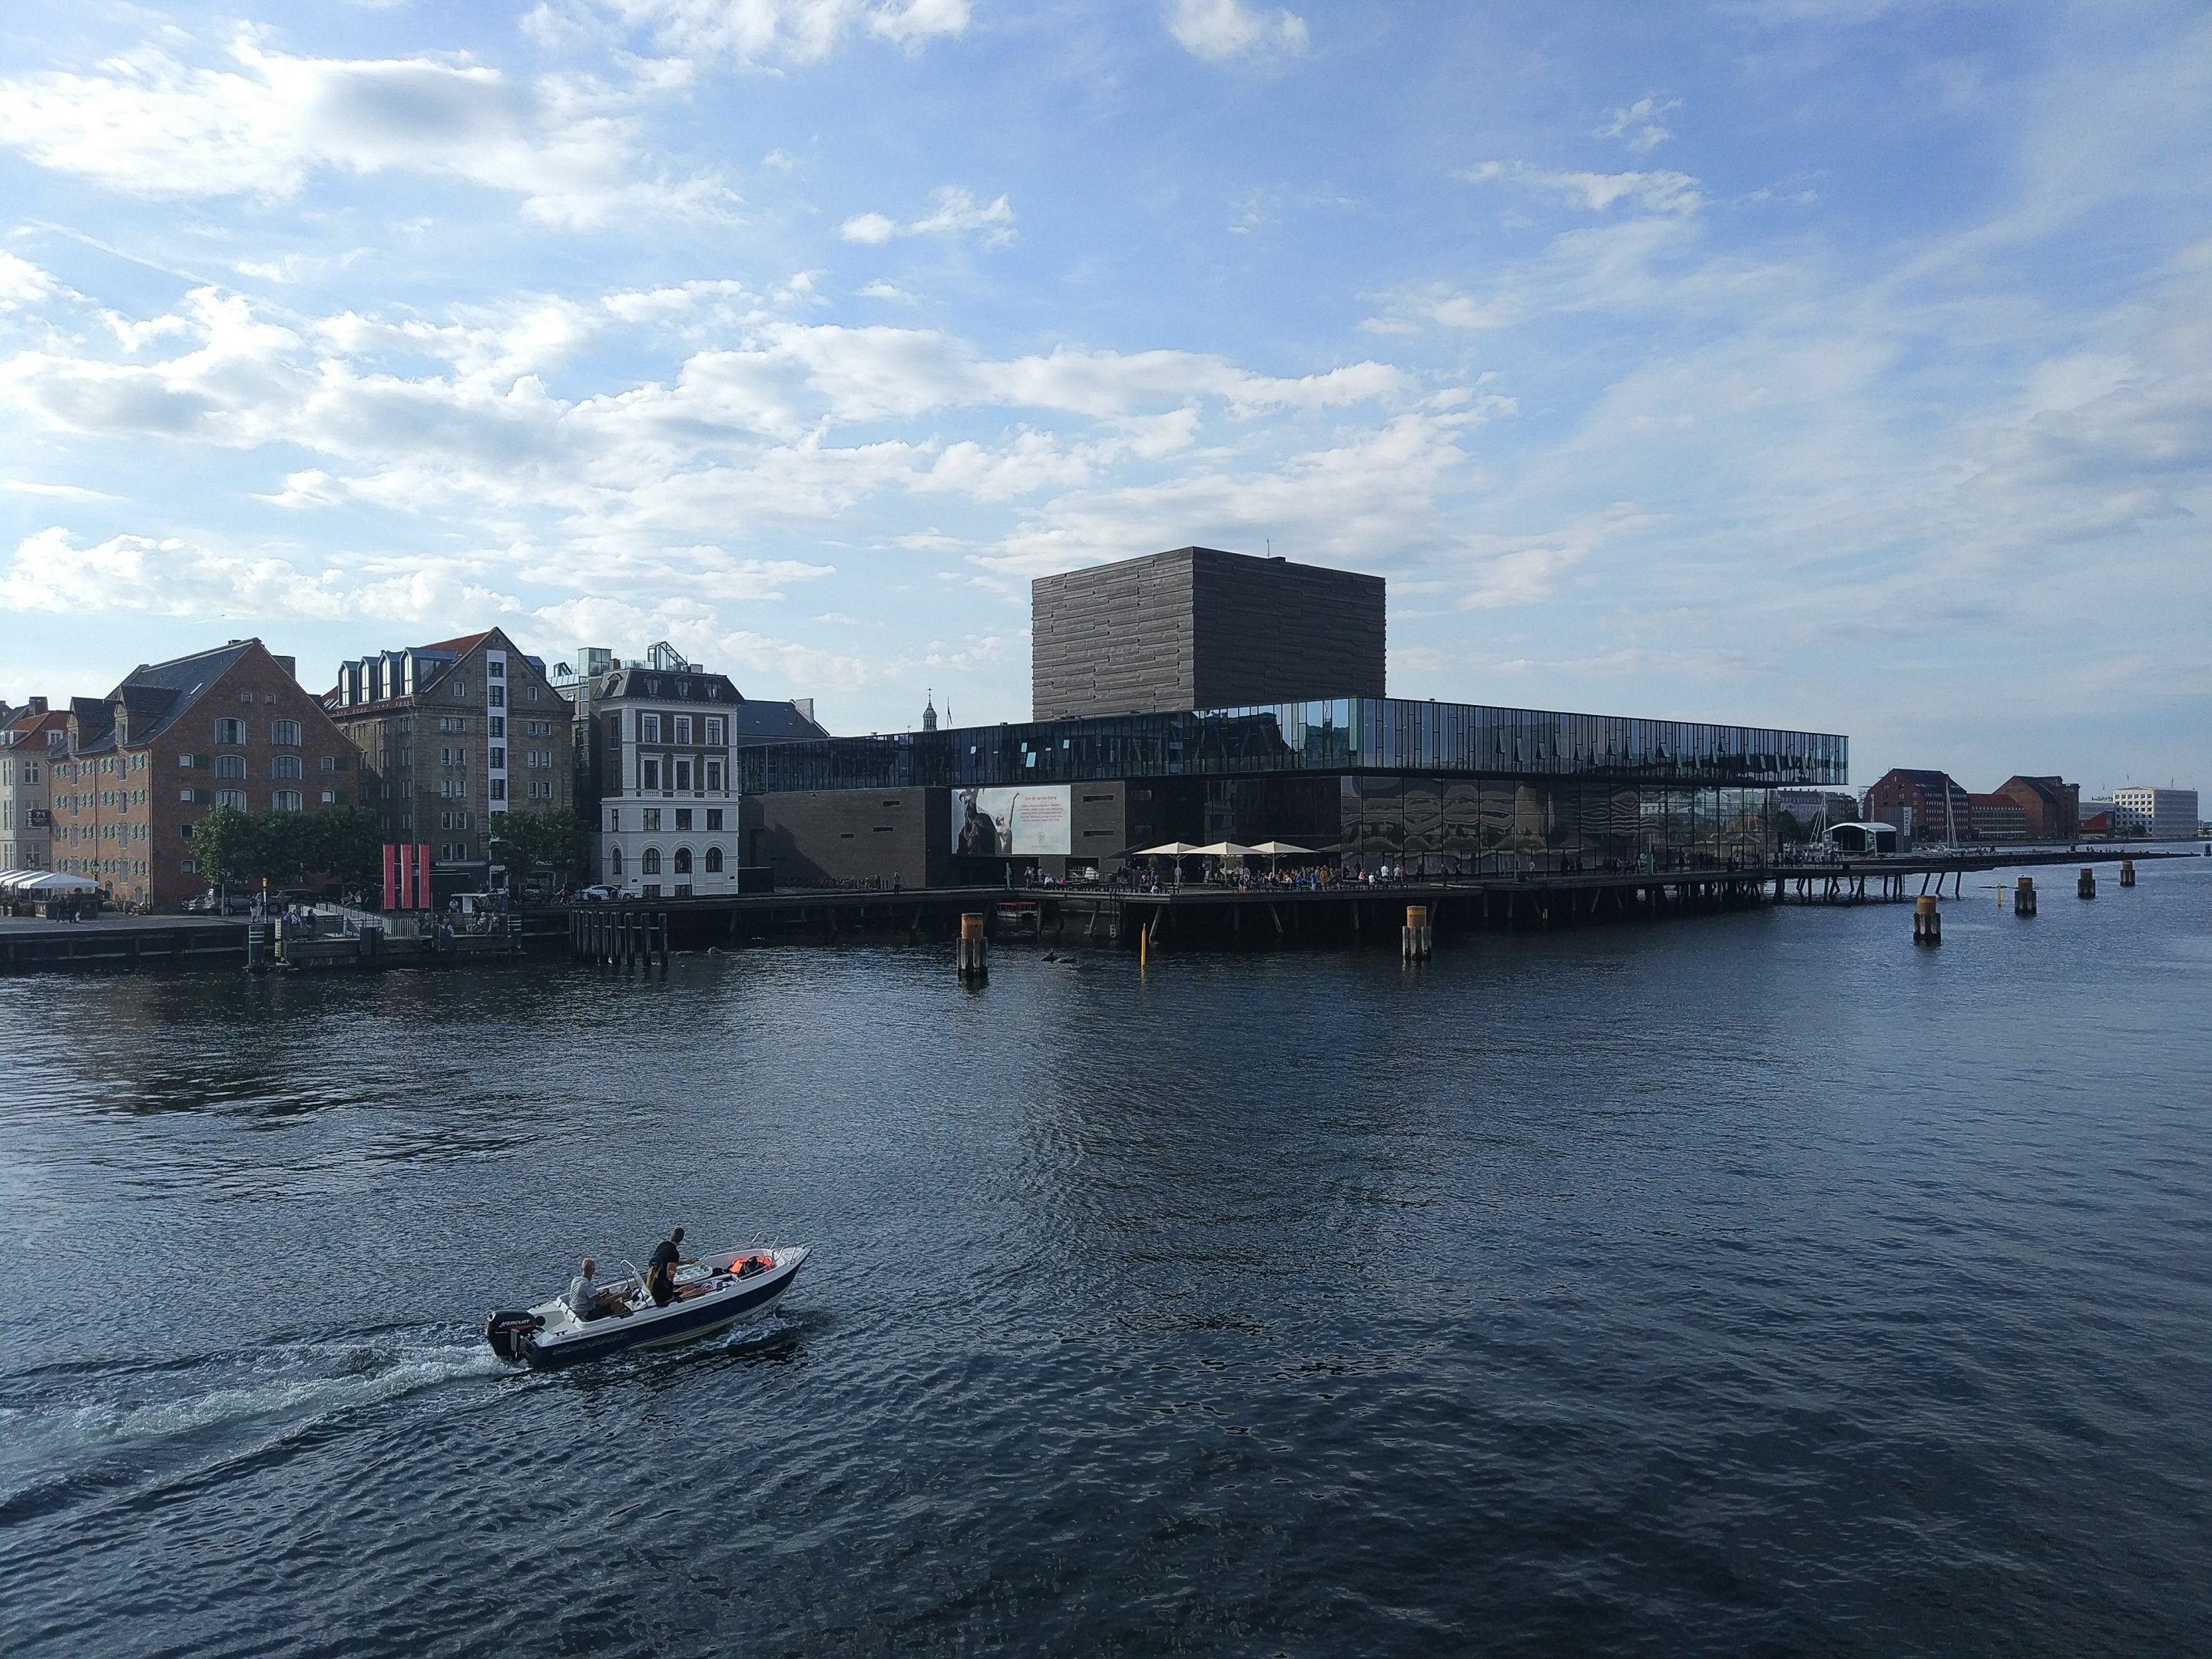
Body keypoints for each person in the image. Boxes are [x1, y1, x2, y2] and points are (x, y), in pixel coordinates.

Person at [566, 1257, 628, 1321]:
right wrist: (621, 1294)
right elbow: (602, 1302)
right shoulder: (588, 1286)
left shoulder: (575, 1280)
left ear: (581, 1269)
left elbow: (586, 1295)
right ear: (594, 1270)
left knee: (609, 1295)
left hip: (576, 1311)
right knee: (617, 1303)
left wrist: (600, 1293)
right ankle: (617, 1321)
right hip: (586, 1315)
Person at [646, 1227, 690, 1307]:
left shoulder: (663, 1245)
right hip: (664, 1295)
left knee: (690, 1286)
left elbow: (666, 1261)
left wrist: (685, 1261)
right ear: (682, 1239)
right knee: (697, 1290)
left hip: (654, 1286)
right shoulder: (674, 1252)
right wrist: (674, 1271)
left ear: (671, 1235)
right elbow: (670, 1275)